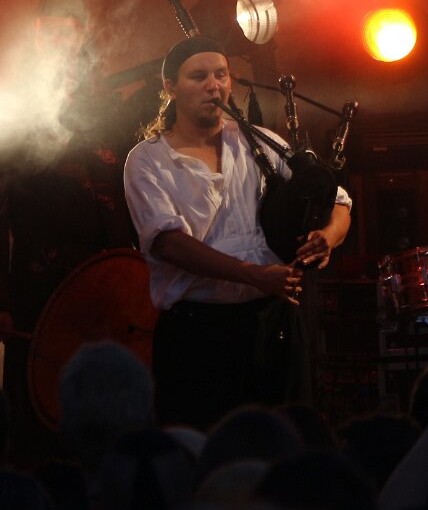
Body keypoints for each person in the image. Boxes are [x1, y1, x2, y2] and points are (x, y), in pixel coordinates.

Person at [123, 35, 352, 430]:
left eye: (221, 75)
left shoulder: (260, 142)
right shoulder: (148, 160)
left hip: (273, 325)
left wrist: (328, 238)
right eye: (198, 77)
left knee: (284, 445)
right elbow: (169, 243)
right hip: (197, 335)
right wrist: (252, 274)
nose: (213, 86)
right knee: (205, 449)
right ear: (170, 88)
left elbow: (339, 201)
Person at [0, 0, 138, 461]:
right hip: (37, 282)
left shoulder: (111, 110)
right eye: (51, 33)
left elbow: (133, 194)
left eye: (70, 32)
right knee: (38, 408)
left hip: (108, 277)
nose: (61, 42)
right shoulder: (7, 112)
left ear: (83, 37)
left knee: (108, 403)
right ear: (37, 38)